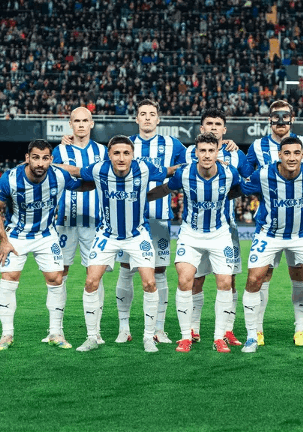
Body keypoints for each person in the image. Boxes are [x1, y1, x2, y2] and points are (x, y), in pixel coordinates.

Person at [56, 135, 181, 353]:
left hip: (137, 235)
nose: (121, 158)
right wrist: (49, 164)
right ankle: (92, 337)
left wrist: (200, 163)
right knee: (91, 282)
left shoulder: (144, 168)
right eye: (116, 153)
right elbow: (75, 170)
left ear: (132, 155)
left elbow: (169, 171)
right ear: (109, 155)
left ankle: (148, 337)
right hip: (107, 236)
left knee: (150, 283)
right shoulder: (99, 169)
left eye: (126, 153)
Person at [0, 139, 94, 351]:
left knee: (56, 279)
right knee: (9, 278)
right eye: (35, 157)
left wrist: (104, 179)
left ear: (51, 160)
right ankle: (6, 334)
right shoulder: (10, 179)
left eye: (45, 158)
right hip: (16, 235)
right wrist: (3, 241)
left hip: (46, 235)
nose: (40, 163)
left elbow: (83, 184)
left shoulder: (59, 176)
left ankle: (55, 332)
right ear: (27, 158)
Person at [148, 132, 242, 353]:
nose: (207, 155)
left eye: (211, 150)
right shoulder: (184, 173)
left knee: (225, 283)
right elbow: (166, 188)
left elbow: (240, 189)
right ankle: (185, 336)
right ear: (196, 153)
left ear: (217, 152)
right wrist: (142, 197)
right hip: (190, 234)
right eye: (203, 151)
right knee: (185, 280)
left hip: (220, 234)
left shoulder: (230, 173)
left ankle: (219, 337)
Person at [239, 136, 303, 354]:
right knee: (254, 279)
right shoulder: (263, 174)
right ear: (279, 155)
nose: (292, 158)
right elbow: (240, 187)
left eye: (296, 153)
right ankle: (252, 336)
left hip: (301, 234)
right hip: (269, 234)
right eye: (287, 153)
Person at [115, 99, 186, 345]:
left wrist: (226, 145)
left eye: (151, 114)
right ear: (136, 118)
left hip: (159, 218)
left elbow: (192, 161)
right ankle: (124, 327)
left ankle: (159, 329)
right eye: (142, 113)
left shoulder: (173, 144)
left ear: (158, 119)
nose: (147, 117)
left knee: (159, 271)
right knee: (126, 269)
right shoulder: (125, 144)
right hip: (128, 219)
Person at [185, 109, 253, 346]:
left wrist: (225, 183)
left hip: (226, 227)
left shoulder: (236, 154)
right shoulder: (189, 153)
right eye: (209, 123)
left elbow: (248, 182)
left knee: (229, 280)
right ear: (201, 128)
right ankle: (193, 328)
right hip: (195, 229)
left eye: (218, 124)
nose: (213, 127)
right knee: (196, 279)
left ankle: (227, 330)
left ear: (224, 129)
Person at [44, 107, 109, 345]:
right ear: (70, 125)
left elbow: (104, 176)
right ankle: (55, 329)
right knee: (58, 274)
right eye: (76, 121)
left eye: (85, 120)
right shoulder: (59, 150)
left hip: (95, 222)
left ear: (92, 124)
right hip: (65, 221)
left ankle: (96, 330)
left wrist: (74, 172)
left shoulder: (102, 151)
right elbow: (52, 175)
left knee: (95, 276)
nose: (81, 124)